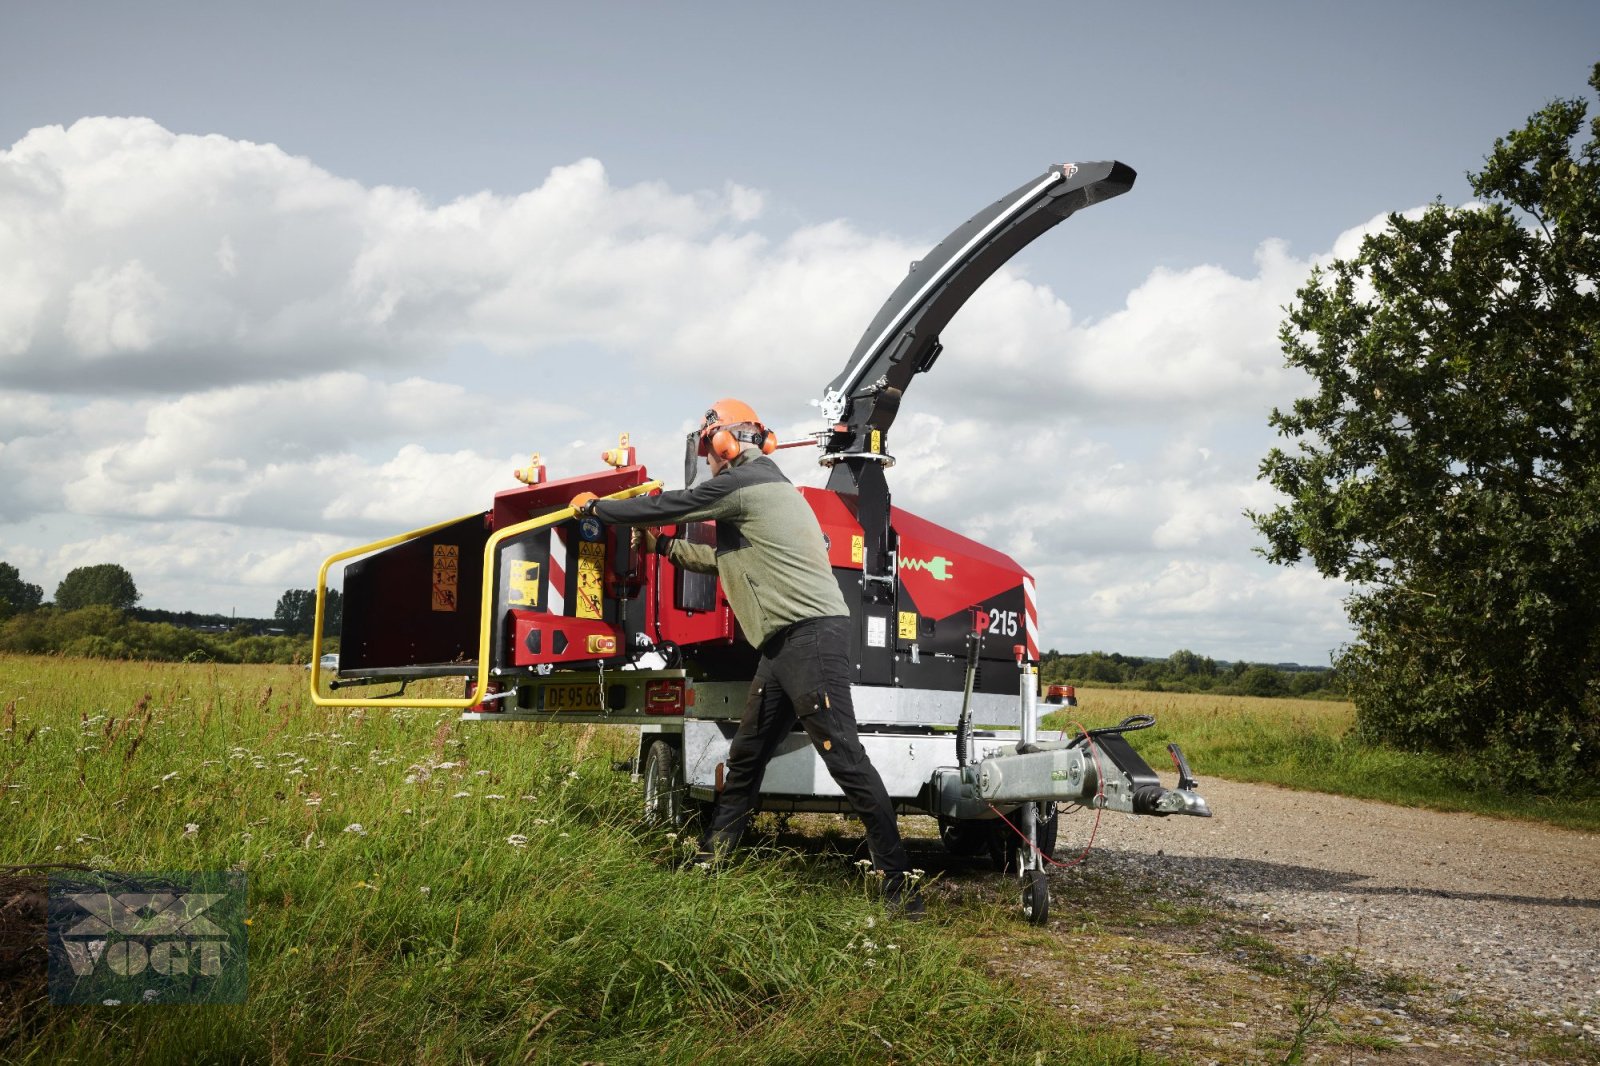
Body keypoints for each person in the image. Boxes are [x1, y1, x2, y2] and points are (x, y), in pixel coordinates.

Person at [572, 398, 922, 916]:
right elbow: (723, 560)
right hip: (782, 646)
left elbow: (671, 506)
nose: (709, 459)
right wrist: (662, 550)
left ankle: (901, 886)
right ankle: (713, 860)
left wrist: (597, 509)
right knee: (748, 755)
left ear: (724, 441)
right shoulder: (764, 490)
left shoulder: (745, 483)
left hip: (809, 639)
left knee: (845, 758)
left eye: (707, 447)